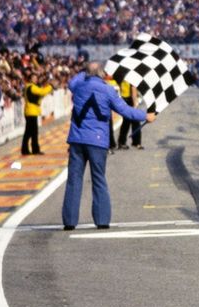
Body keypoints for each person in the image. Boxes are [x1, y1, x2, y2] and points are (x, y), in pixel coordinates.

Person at [62, 62, 155, 231]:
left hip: (77, 139)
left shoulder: (78, 86)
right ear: (100, 73)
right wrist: (145, 116)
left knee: (74, 181)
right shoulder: (108, 89)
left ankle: (69, 221)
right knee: (98, 179)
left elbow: (72, 82)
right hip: (97, 140)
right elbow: (125, 111)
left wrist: (86, 72)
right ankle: (102, 220)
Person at [21, 71, 52, 155]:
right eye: (33, 78)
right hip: (31, 112)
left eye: (36, 78)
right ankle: (35, 150)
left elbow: (40, 95)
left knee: (28, 132)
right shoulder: (32, 87)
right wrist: (49, 86)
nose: (35, 79)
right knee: (33, 132)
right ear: (30, 79)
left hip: (30, 111)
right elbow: (42, 92)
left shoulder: (29, 87)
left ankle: (25, 150)